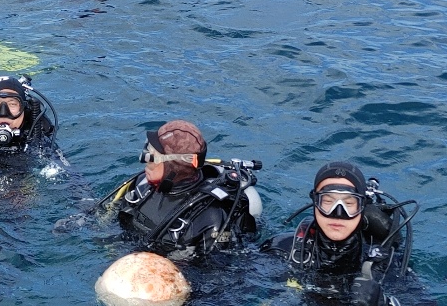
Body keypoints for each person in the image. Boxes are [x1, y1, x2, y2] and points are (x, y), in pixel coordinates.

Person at [98, 120, 262, 261]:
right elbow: (112, 221)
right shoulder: (142, 184)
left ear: (175, 167)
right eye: (146, 151)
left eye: (152, 157)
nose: (145, 160)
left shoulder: (210, 217)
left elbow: (214, 277)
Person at [263, 162, 418, 306]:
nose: (338, 213)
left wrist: (383, 302)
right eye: (327, 201)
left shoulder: (384, 264)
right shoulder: (280, 250)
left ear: (362, 206)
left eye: (349, 203)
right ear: (315, 202)